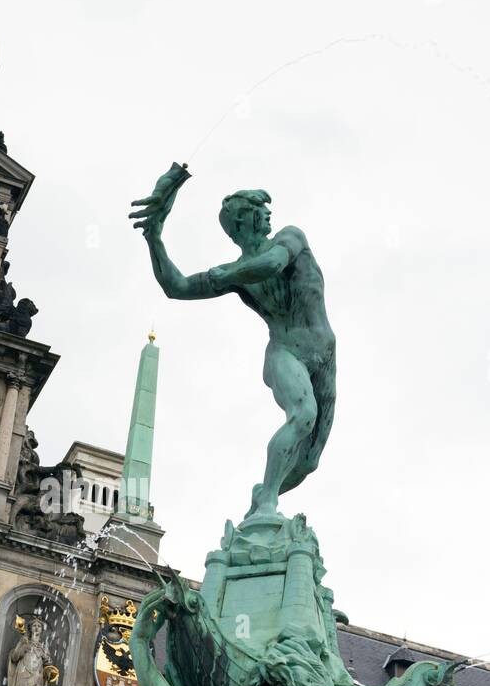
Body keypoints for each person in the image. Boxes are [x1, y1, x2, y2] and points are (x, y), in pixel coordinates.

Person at [129, 164, 336, 518]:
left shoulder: (290, 238)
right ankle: (268, 504)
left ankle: (260, 500)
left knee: (309, 462)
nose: (269, 216)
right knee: (303, 415)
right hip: (285, 352)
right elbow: (175, 287)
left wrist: (225, 275)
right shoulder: (236, 274)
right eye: (260, 212)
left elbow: (272, 263)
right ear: (243, 222)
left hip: (325, 354)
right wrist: (154, 237)